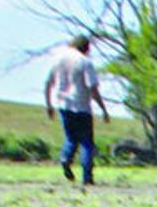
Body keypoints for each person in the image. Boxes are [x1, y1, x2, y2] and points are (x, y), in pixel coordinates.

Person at [44, 35, 109, 185]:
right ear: (86, 47)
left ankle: (65, 158)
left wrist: (48, 104)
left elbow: (48, 83)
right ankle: (87, 177)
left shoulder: (57, 60)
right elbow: (92, 88)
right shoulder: (85, 62)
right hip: (82, 106)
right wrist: (103, 108)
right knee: (86, 143)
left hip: (63, 105)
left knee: (71, 138)